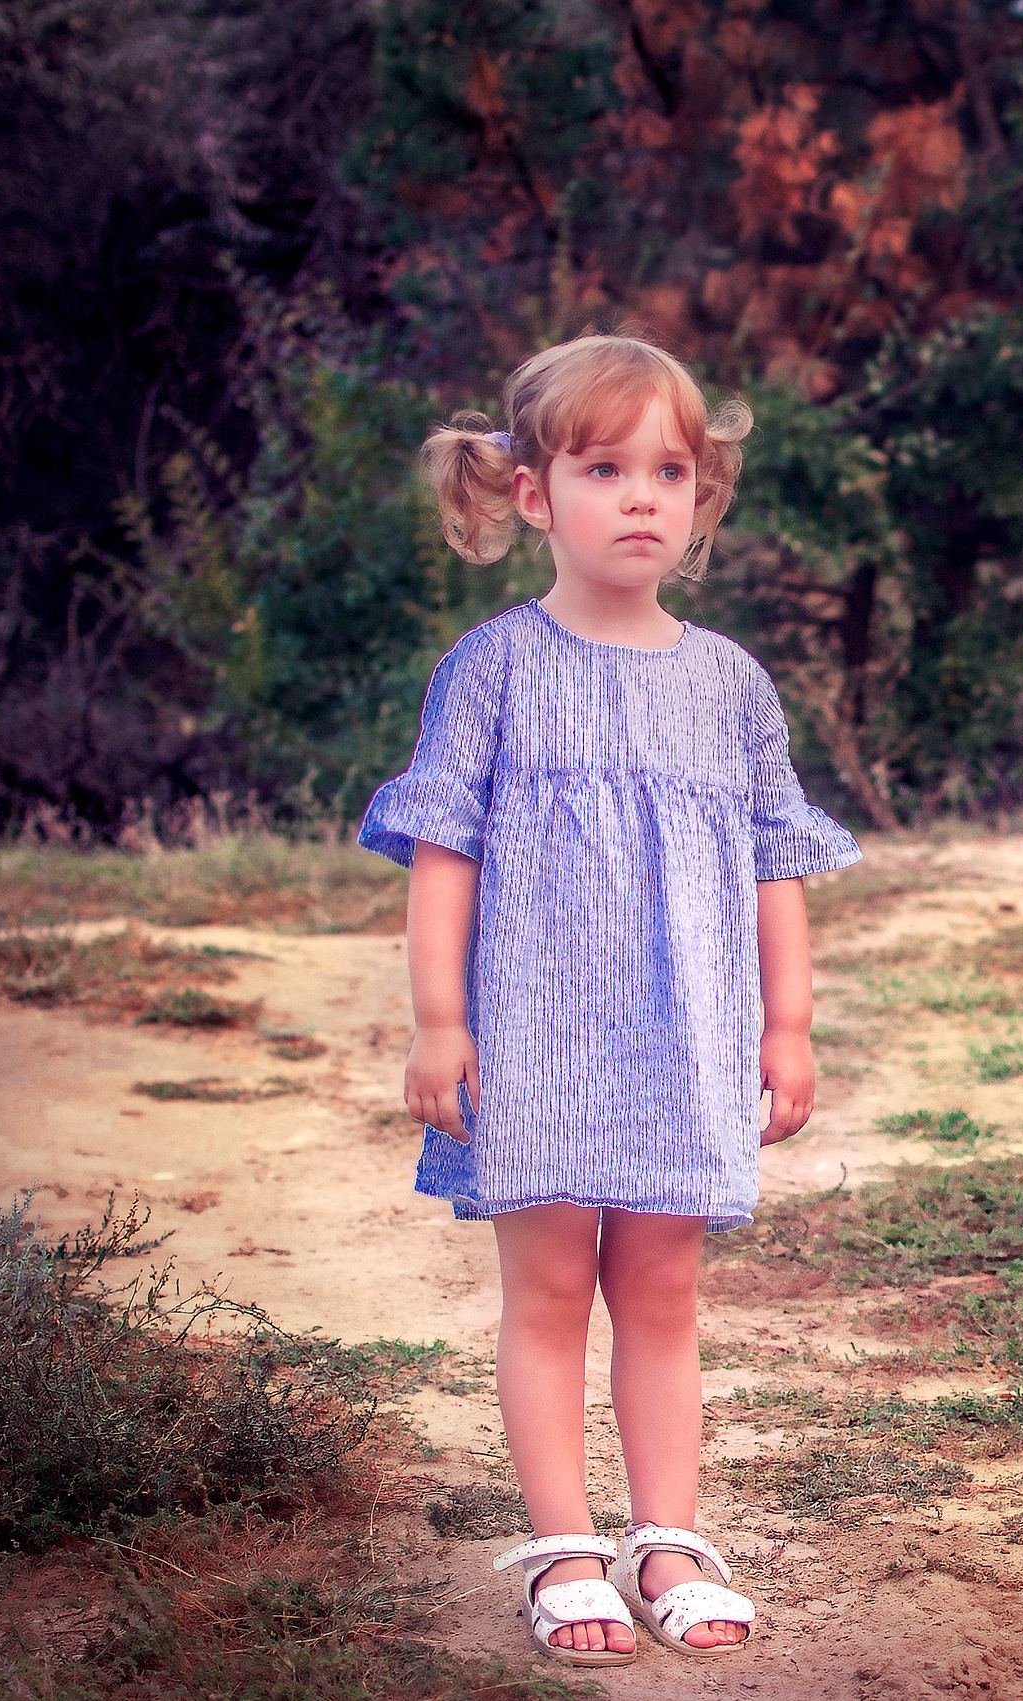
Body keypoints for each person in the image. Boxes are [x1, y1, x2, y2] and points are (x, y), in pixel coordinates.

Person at [359, 331, 860, 1665]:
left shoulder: (731, 686)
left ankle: (669, 1532)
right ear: (534, 496)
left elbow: (775, 868)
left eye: (671, 469)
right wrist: (440, 1020)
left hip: (684, 1039)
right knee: (544, 1296)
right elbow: (443, 854)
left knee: (662, 1289)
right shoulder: (494, 670)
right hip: (534, 1037)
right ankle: (565, 1542)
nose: (642, 494)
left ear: (701, 497)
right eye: (603, 466)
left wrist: (789, 1024)